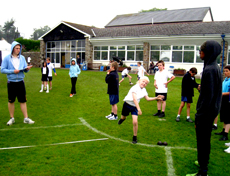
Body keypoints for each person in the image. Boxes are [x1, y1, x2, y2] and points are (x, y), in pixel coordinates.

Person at [186, 41, 222, 176]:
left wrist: (199, 115)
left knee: (203, 141)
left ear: (209, 52)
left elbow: (208, 97)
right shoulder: (214, 67)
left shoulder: (210, 70)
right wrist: (202, 88)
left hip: (206, 113)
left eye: (202, 50)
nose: (200, 52)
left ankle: (203, 170)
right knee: (204, 140)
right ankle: (202, 162)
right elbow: (210, 91)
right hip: (210, 111)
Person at [118, 76, 164, 144]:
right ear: (139, 81)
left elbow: (147, 99)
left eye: (146, 83)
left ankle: (134, 137)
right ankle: (122, 119)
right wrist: (139, 109)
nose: (144, 83)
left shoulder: (144, 90)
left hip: (134, 107)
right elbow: (134, 99)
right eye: (143, 81)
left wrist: (156, 98)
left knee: (135, 122)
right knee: (123, 117)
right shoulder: (134, 87)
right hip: (127, 105)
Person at [1, 41, 34, 125]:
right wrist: (13, 71)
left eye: (19, 48)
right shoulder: (7, 58)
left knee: (23, 101)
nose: (18, 50)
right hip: (11, 83)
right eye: (17, 48)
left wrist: (27, 69)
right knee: (11, 101)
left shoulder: (22, 58)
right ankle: (12, 118)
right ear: (13, 48)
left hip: (20, 82)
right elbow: (2, 70)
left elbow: (24, 70)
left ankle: (26, 118)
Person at [214, 65, 230, 141]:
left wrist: (222, 94)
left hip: (228, 101)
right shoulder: (226, 79)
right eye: (224, 71)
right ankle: (223, 131)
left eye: (227, 71)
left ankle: (226, 135)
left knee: (228, 118)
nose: (225, 73)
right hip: (223, 100)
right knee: (223, 116)